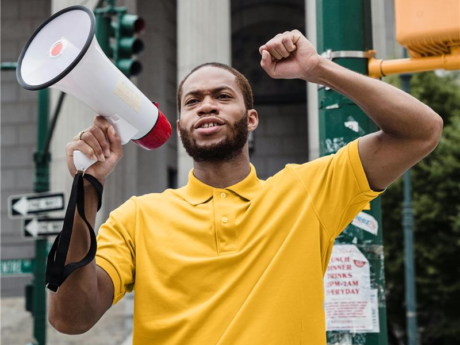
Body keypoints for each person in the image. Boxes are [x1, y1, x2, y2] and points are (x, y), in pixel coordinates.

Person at [49, 30, 443, 344]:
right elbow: (70, 319)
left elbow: (421, 132)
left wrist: (318, 69)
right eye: (193, 101)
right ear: (183, 123)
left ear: (251, 119)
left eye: (222, 96)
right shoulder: (136, 217)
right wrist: (88, 186)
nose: (207, 106)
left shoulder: (307, 191)